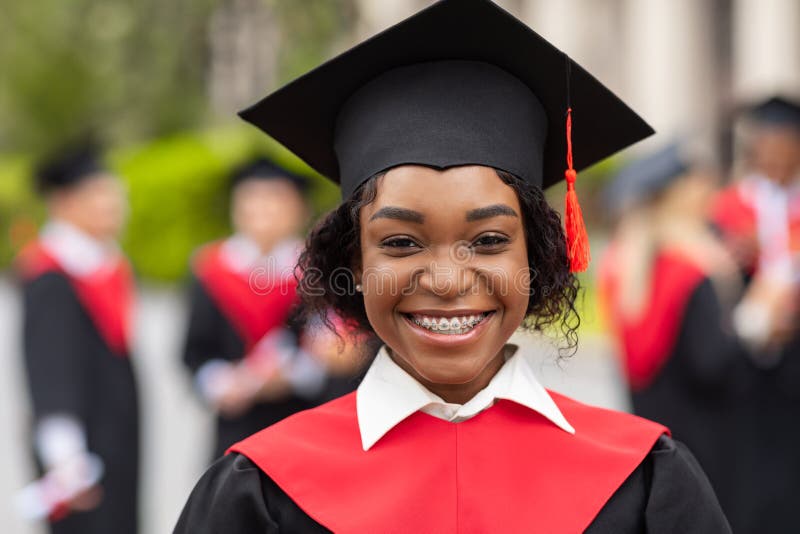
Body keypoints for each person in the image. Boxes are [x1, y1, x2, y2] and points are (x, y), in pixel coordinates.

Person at [175, 1, 730, 532]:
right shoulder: (260, 493)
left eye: (488, 239)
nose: (446, 280)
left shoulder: (647, 484)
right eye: (400, 242)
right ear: (355, 261)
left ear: (534, 257)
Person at [598, 142, 762, 530]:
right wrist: (755, 323)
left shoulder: (625, 264)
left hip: (655, 438)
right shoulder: (692, 272)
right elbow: (712, 365)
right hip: (707, 445)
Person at [16, 145, 139, 534]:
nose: (113, 204)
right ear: (64, 203)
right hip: (81, 456)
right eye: (100, 194)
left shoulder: (102, 263)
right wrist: (66, 459)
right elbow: (50, 371)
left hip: (113, 437)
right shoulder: (52, 276)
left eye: (114, 193)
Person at [183, 157, 333, 461]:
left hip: (302, 422)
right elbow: (194, 351)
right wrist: (223, 383)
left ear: (299, 209)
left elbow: (332, 346)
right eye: (251, 197)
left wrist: (294, 375)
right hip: (235, 427)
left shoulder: (317, 272)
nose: (262, 208)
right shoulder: (212, 269)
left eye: (275, 198)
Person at [711, 96, 800, 533]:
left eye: (787, 144)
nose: (778, 154)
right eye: (769, 144)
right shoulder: (728, 207)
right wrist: (735, 258)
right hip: (746, 360)